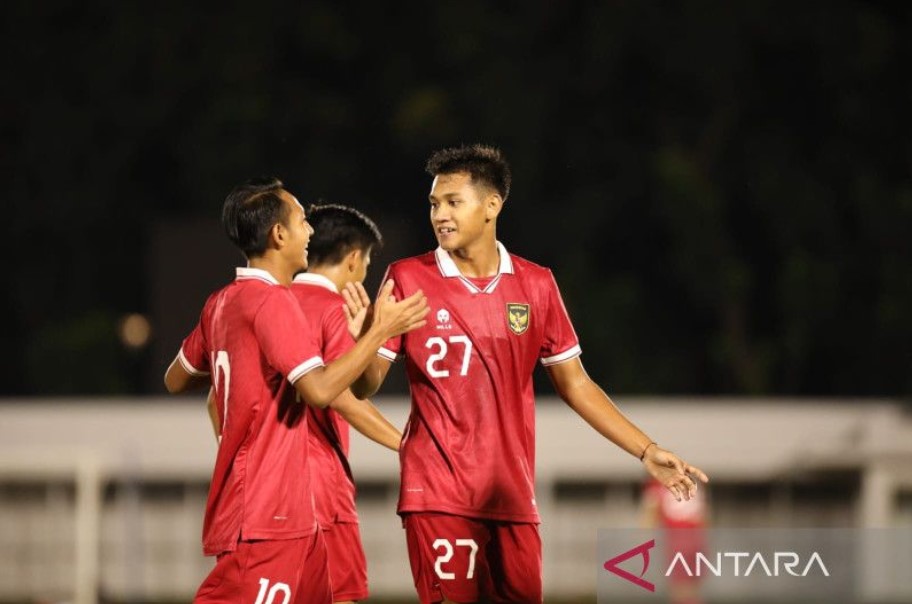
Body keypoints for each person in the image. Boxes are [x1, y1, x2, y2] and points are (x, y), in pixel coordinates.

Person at [344, 145, 709, 604]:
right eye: (434, 204)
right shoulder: (408, 276)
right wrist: (367, 338)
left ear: (492, 205)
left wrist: (647, 450)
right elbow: (366, 385)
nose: (440, 215)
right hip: (438, 493)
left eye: (453, 202)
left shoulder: (535, 284)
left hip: (513, 498)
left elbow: (575, 384)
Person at [163, 177, 428, 604]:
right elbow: (323, 391)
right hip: (270, 511)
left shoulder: (221, 302)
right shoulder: (272, 302)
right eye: (303, 220)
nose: (310, 231)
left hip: (287, 509)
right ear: (278, 233)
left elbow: (176, 378)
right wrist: (380, 330)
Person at [294, 203, 400, 603]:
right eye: (369, 261)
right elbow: (345, 400)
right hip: (319, 486)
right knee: (340, 596)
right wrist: (410, 444)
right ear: (354, 258)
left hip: (263, 491)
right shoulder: (334, 310)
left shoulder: (267, 304)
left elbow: (217, 400)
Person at [642, 477, 708, 604]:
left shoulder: (658, 484)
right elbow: (704, 514)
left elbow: (650, 514)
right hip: (697, 538)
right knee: (693, 586)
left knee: (680, 588)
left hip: (677, 539)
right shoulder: (691, 481)